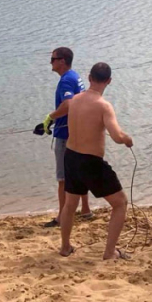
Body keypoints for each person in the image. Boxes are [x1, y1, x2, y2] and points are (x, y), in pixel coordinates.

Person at [56, 62, 133, 260]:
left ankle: (65, 247)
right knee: (120, 203)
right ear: (109, 81)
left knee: (70, 204)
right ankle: (109, 252)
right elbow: (116, 136)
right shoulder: (103, 105)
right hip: (90, 162)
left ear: (89, 78)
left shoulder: (74, 100)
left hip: (71, 156)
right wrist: (127, 139)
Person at [36, 47, 91, 228]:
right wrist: (52, 121)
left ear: (62, 61)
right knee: (79, 172)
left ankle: (62, 217)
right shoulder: (75, 76)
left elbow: (68, 104)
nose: (50, 62)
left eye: (53, 59)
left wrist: (50, 117)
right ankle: (85, 209)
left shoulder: (67, 80)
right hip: (77, 130)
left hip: (66, 135)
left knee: (63, 179)